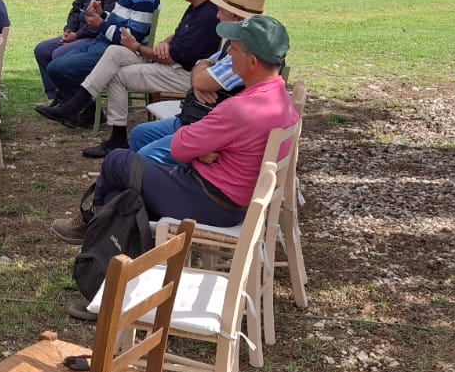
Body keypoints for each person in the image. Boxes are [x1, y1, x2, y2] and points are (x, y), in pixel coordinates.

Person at [57, 16, 298, 319]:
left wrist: (200, 153)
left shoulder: (241, 108)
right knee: (132, 194)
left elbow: (180, 145)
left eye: (233, 49)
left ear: (251, 61)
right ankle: (110, 277)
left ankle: (97, 247)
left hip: (211, 200)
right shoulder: (280, 99)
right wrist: (204, 152)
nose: (228, 55)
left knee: (119, 164)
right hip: (232, 199)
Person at [43, 0, 220, 158]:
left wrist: (137, 47)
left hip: (186, 75)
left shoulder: (207, 14)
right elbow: (179, 35)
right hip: (174, 63)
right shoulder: (200, 5)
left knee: (113, 70)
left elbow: (173, 57)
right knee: (114, 55)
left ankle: (84, 113)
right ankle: (88, 116)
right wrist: (166, 41)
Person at [128, 0, 267, 164]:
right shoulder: (233, 40)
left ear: (237, 17)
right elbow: (203, 66)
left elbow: (200, 79)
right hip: (194, 117)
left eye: (221, 10)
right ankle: (151, 182)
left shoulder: (247, 50)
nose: (217, 16)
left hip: (209, 129)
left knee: (145, 155)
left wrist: (201, 77)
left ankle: (162, 183)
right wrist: (203, 72)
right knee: (140, 134)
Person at [36, 0, 160, 116]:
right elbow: (118, 21)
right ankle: (83, 110)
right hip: (105, 43)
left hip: (121, 51)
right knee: (55, 63)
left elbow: (131, 40)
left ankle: (84, 110)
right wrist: (103, 14)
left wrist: (101, 25)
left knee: (58, 68)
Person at [33, 0, 116, 96]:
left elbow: (104, 21)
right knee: (42, 50)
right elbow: (76, 8)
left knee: (58, 54)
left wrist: (76, 36)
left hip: (95, 37)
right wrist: (69, 29)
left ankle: (76, 102)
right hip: (77, 34)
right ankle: (57, 96)